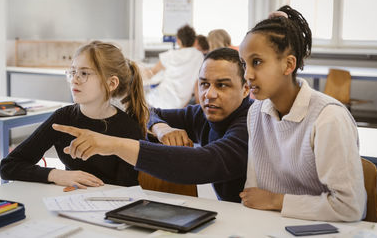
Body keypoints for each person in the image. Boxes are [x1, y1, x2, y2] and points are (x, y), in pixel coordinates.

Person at [53, 48, 253, 203]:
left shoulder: (250, 123)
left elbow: (205, 163)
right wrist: (160, 127)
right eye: (204, 84)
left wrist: (114, 145)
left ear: (245, 89)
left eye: (222, 85)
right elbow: (147, 112)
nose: (209, 94)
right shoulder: (201, 114)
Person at [238, 5, 366, 221]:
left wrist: (275, 200)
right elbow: (253, 194)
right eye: (244, 64)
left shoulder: (328, 118)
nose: (247, 74)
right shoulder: (256, 113)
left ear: (288, 64)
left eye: (257, 62)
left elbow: (349, 207)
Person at [0, 41, 149, 189]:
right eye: (72, 72)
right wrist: (55, 175)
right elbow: (9, 166)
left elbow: (127, 190)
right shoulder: (63, 117)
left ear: (111, 84)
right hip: (68, 201)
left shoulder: (128, 129)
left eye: (84, 73)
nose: (74, 80)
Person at [142, 25, 204, 109]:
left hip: (159, 101)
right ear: (195, 41)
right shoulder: (199, 57)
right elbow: (197, 82)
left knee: (139, 96)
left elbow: (151, 73)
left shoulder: (170, 56)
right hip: (180, 104)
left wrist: (139, 69)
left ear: (178, 41)